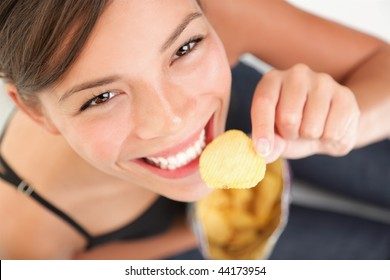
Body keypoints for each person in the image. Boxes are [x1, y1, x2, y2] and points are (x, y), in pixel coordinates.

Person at [0, 0, 389, 259]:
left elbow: (380, 63)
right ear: (37, 113)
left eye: (184, 49)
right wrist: (200, 237)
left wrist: (348, 123)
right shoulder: (23, 238)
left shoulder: (217, 9)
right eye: (101, 98)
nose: (170, 121)